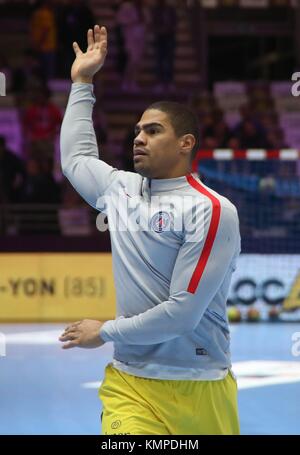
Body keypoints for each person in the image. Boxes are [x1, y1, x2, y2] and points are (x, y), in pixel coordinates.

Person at [59, 25, 241, 435]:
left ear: (185, 143)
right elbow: (76, 159)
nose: (138, 138)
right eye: (137, 130)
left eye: (153, 130)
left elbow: (182, 313)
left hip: (201, 386)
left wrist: (103, 331)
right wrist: (83, 82)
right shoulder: (119, 189)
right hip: (129, 383)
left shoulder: (211, 210)